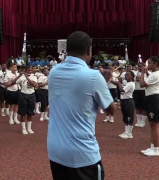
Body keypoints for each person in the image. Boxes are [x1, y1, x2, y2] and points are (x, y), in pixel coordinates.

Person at [47, 31, 115, 180]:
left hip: (56, 150)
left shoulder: (53, 72)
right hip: (82, 153)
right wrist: (105, 82)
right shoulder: (93, 76)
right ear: (89, 50)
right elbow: (110, 109)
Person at [139, 56, 159, 156]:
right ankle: (152, 147)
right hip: (151, 98)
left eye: (150, 63)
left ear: (156, 64)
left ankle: (156, 149)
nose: (147, 65)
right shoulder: (154, 74)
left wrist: (142, 73)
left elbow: (141, 84)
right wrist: (145, 73)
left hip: (155, 99)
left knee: (154, 125)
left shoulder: (156, 74)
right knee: (152, 124)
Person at [117, 71, 135, 139]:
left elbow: (121, 90)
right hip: (124, 101)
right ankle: (126, 132)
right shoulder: (127, 83)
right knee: (125, 117)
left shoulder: (131, 84)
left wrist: (118, 82)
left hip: (128, 101)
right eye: (126, 75)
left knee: (129, 117)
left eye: (128, 75)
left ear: (132, 76)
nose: (126, 76)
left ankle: (129, 133)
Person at [133, 63, 147, 127]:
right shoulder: (135, 73)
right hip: (136, 91)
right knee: (137, 107)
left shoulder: (147, 73)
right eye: (139, 66)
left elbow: (147, 81)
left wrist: (140, 78)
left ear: (144, 67)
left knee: (144, 107)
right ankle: (138, 121)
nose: (139, 68)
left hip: (144, 91)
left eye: (141, 66)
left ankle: (143, 122)